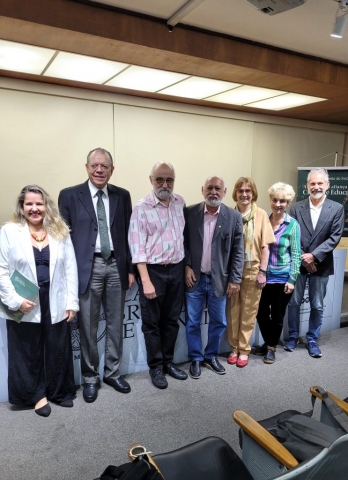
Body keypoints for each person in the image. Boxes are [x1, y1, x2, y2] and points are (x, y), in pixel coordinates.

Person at [58, 148, 135, 403]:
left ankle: (112, 372)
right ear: (87, 167)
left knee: (115, 324)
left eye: (105, 166)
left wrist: (131, 268)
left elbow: (129, 235)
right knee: (88, 326)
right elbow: (64, 239)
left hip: (116, 265)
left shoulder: (122, 196)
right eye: (95, 165)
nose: (99, 170)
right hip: (87, 268)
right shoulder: (69, 196)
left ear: (112, 169)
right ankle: (90, 378)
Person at [0, 185, 78, 417]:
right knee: (26, 351)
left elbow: (70, 268)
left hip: (55, 298)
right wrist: (15, 301)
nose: (34, 208)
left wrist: (71, 302)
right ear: (22, 207)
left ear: (47, 206)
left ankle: (59, 391)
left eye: (39, 204)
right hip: (25, 301)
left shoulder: (59, 231)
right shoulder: (9, 231)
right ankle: (35, 396)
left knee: (58, 347)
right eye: (29, 204)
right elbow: (1, 270)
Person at [128, 162, 187, 389]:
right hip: (153, 271)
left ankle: (169, 363)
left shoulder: (179, 202)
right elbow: (137, 248)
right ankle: (156, 367)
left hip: (177, 268)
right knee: (152, 323)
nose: (165, 184)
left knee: (171, 320)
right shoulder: (141, 208)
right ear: (151, 180)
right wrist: (145, 280)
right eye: (160, 180)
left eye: (169, 180)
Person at [184, 176, 244, 379]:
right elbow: (181, 242)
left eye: (217, 188)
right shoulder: (190, 212)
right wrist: (186, 266)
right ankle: (195, 358)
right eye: (209, 188)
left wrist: (235, 279)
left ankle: (211, 356)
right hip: (195, 278)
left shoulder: (234, 217)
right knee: (192, 322)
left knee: (219, 322)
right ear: (202, 190)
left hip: (220, 279)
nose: (213, 192)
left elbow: (238, 251)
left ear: (225, 191)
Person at [284, 168, 344, 358]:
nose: (316, 187)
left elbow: (334, 237)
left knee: (317, 305)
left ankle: (312, 340)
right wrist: (304, 257)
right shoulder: (295, 208)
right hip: (298, 263)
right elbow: (291, 235)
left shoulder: (336, 208)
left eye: (320, 183)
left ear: (327, 185)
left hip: (321, 265)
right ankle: (292, 337)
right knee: (293, 303)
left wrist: (314, 256)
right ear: (306, 186)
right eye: (312, 183)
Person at [226, 177, 274, 368]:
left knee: (248, 311)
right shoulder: (228, 214)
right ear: (235, 193)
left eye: (248, 191)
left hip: (253, 269)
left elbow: (265, 247)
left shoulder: (261, 215)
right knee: (232, 311)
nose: (244, 194)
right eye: (240, 190)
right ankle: (233, 348)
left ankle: (244, 349)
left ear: (253, 193)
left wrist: (263, 272)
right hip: (231, 271)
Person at [255, 182, 301, 364]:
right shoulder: (263, 221)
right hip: (264, 277)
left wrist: (292, 279)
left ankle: (271, 348)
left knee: (277, 315)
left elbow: (296, 254)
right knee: (260, 313)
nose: (278, 204)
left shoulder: (293, 225)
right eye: (275, 200)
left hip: (283, 280)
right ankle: (269, 342)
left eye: (283, 201)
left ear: (288, 203)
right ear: (270, 200)